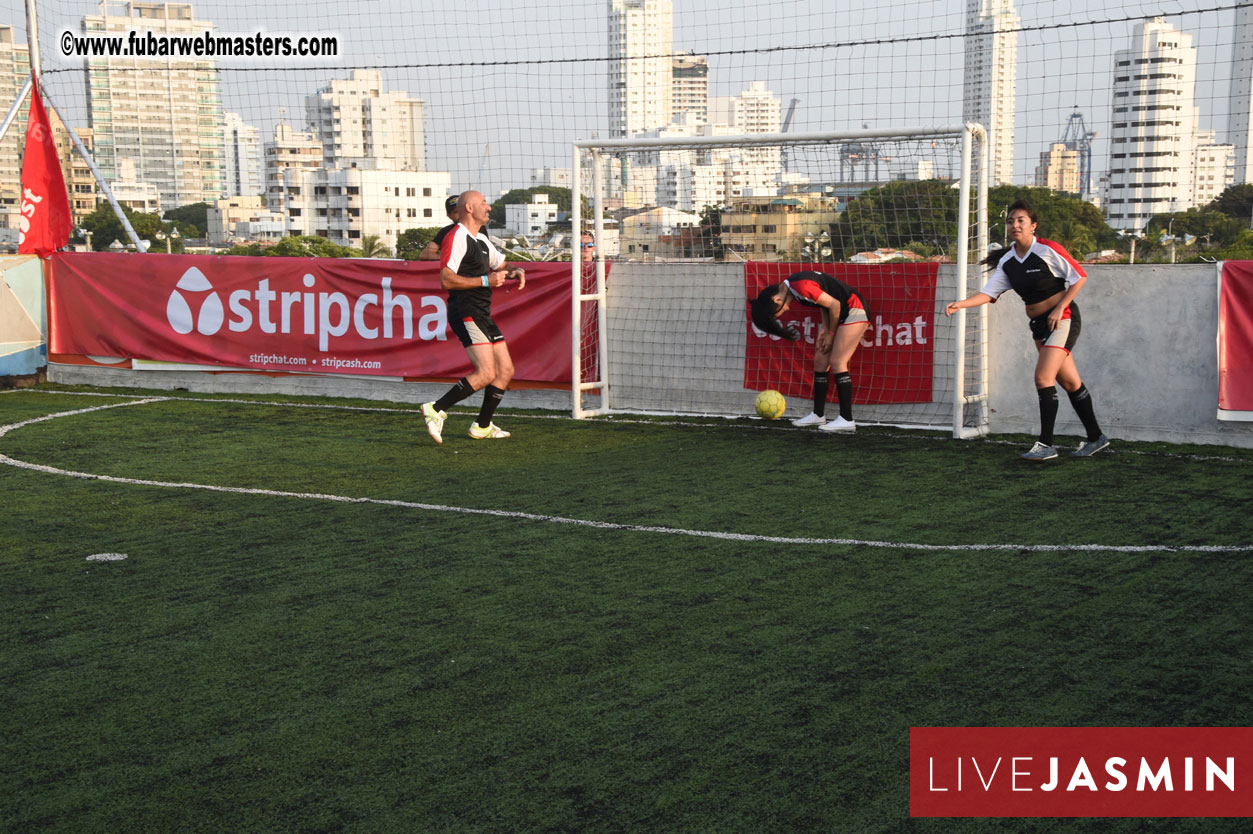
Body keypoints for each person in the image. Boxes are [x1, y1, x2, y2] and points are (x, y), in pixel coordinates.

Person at [945, 199, 1109, 460]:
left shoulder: (1047, 249)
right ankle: (1096, 437)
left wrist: (1059, 308)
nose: (1015, 225)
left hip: (1063, 319)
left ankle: (1046, 445)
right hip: (1038, 325)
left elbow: (1079, 277)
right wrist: (961, 304)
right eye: (1011, 221)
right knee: (1068, 381)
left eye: (1021, 220)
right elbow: (989, 293)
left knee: (1043, 378)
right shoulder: (1009, 260)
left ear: (1033, 226)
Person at [421, 190, 526, 443]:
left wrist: (515, 269)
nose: (488, 207)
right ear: (469, 207)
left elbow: (501, 264)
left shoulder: (479, 239)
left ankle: (482, 425)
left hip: (481, 312)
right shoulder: (456, 236)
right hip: (466, 311)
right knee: (486, 373)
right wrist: (485, 280)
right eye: (484, 203)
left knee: (505, 370)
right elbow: (446, 279)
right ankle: (435, 409)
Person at [749, 270, 871, 432]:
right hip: (840, 314)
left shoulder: (800, 286)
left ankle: (847, 418)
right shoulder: (794, 289)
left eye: (777, 314)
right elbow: (823, 303)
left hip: (854, 310)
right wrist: (826, 328)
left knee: (837, 362)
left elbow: (835, 304)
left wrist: (831, 333)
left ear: (777, 299)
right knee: (820, 362)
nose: (783, 313)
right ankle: (818, 415)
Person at [417, 195, 461, 261]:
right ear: (449, 215)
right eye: (456, 212)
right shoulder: (446, 232)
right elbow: (425, 254)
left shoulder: (481, 229)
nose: (461, 214)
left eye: (463, 210)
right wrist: (451, 260)